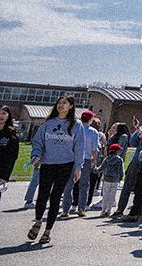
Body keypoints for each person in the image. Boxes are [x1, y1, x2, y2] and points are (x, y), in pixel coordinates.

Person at [28, 95, 85, 244]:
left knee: (55, 197)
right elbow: (37, 142)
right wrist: (36, 156)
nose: (61, 105)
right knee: (42, 195)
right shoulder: (48, 123)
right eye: (59, 103)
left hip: (65, 165)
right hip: (47, 164)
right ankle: (38, 221)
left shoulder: (76, 125)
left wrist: (78, 167)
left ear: (71, 106)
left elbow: (79, 148)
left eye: (64, 103)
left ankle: (47, 231)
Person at [61, 109, 100, 217]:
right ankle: (81, 208)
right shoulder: (93, 132)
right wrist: (95, 161)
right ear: (91, 119)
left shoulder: (74, 128)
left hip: (71, 158)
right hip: (86, 159)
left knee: (69, 184)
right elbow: (94, 149)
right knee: (84, 185)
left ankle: (65, 210)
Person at [97, 143, 125, 216]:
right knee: (112, 196)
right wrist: (121, 177)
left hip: (106, 179)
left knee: (105, 195)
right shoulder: (120, 160)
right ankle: (109, 211)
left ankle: (103, 211)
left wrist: (95, 170)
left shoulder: (106, 159)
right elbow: (121, 170)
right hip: (115, 180)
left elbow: (101, 168)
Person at [0, 105, 20, 206]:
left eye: (4, 113)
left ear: (8, 115)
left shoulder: (11, 133)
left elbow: (12, 157)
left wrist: (5, 176)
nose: (1, 116)